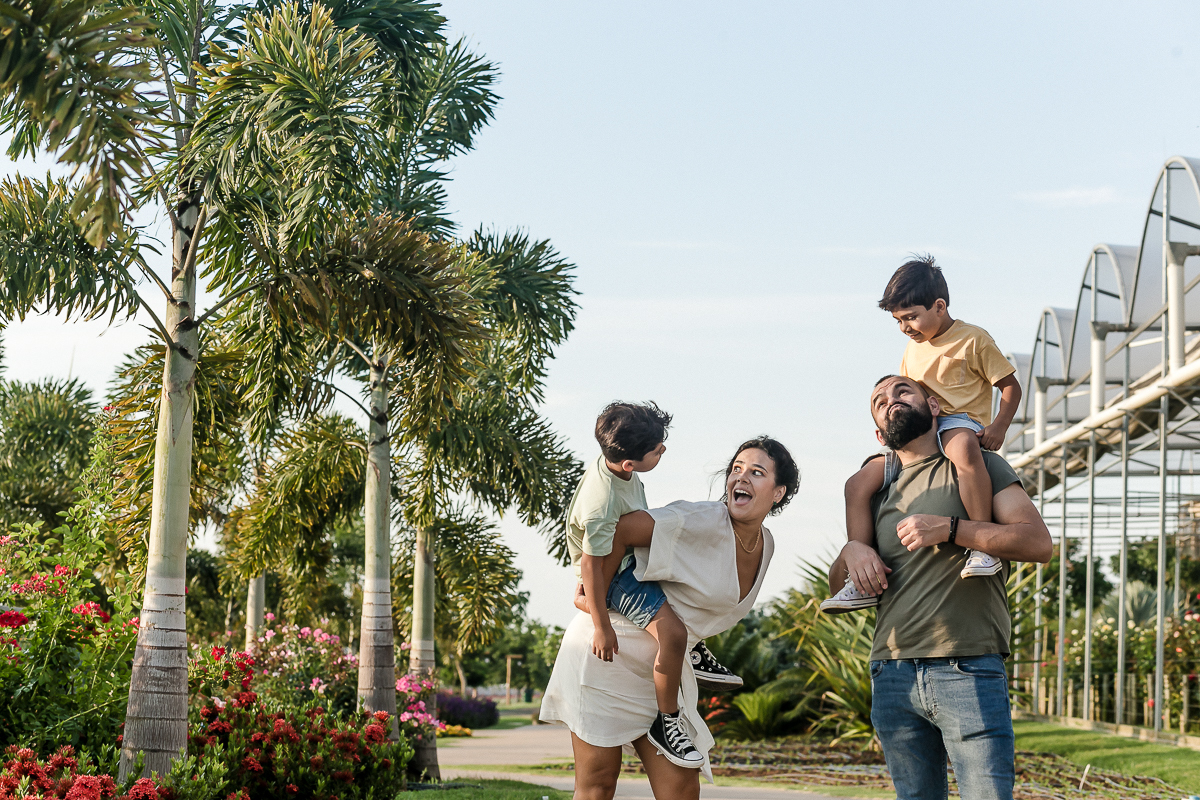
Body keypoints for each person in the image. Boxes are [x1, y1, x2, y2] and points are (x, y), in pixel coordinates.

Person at [827, 376, 1051, 799]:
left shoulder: (979, 466)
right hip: (892, 674)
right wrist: (852, 551)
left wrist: (949, 529)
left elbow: (1037, 543)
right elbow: (840, 587)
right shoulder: (875, 491)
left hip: (967, 667)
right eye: (879, 401)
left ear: (934, 406)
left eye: (901, 391)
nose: (891, 400)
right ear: (878, 433)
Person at [542, 437, 799, 800]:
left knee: (680, 789)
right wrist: (596, 598)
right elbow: (617, 530)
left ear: (778, 492)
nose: (741, 478)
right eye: (736, 469)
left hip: (665, 669)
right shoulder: (699, 519)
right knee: (597, 787)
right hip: (607, 656)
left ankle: (695, 659)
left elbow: (694, 598)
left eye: (757, 472)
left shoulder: (765, 544)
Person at [823, 256, 1023, 613]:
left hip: (959, 421)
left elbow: (1010, 386)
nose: (905, 327)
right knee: (858, 482)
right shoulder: (911, 351)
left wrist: (998, 427)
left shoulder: (972, 340)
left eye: (911, 316)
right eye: (898, 320)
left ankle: (981, 545)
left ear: (939, 306)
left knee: (963, 449)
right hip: (923, 428)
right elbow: (905, 394)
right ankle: (860, 569)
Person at [565, 402, 740, 769]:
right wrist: (601, 625)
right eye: (658, 449)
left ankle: (693, 650)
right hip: (615, 572)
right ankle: (667, 720)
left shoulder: (619, 468)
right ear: (630, 463)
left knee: (690, 574)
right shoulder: (601, 502)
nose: (663, 450)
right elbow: (593, 565)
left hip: (628, 557)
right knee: (672, 634)